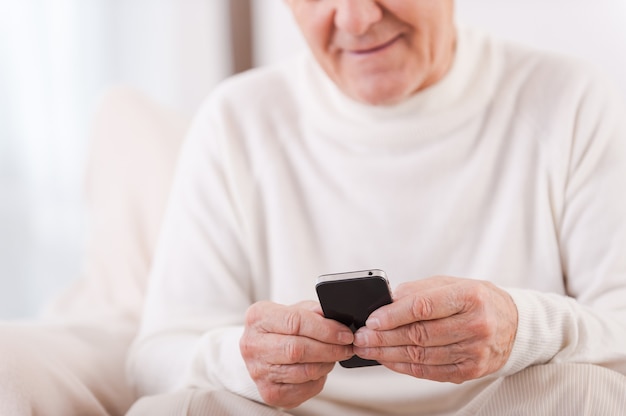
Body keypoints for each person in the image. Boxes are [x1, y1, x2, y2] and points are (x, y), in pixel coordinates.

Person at [126, 1, 626, 414]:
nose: (357, 19)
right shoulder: (236, 120)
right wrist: (244, 358)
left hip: (500, 406)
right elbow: (153, 359)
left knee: (590, 395)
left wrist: (522, 328)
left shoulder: (568, 99)